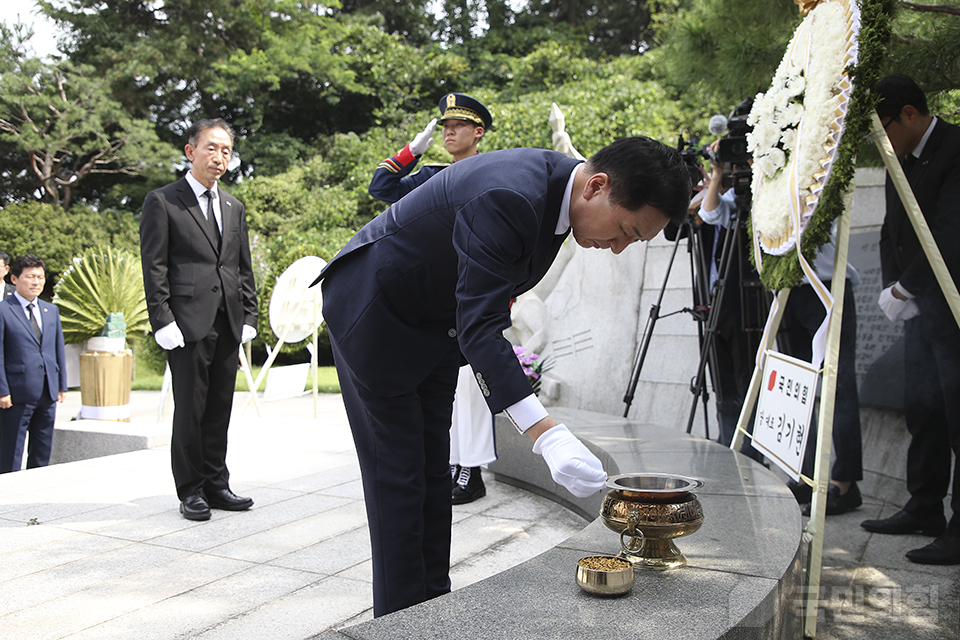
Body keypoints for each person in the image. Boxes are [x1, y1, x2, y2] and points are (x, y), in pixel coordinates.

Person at [314, 136, 692, 616]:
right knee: (399, 479)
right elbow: (482, 329)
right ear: (598, 186)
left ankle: (431, 610)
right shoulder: (513, 194)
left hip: (432, 327)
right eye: (625, 230)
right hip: (376, 315)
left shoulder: (561, 199)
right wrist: (546, 435)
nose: (618, 248)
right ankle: (399, 623)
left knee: (432, 471)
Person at [368, 93, 495, 504]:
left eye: (457, 126)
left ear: (478, 132)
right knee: (444, 385)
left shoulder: (493, 172)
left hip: (475, 290)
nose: (448, 132)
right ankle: (452, 465)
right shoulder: (432, 174)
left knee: (472, 386)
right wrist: (413, 150)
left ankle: (471, 470)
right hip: (437, 293)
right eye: (444, 126)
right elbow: (381, 187)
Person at [860, 74, 960, 565]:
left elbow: (949, 233)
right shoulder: (901, 157)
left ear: (910, 114)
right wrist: (892, 287)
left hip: (953, 307)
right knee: (924, 410)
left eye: (884, 128)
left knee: (958, 415)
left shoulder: (955, 149)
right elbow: (891, 231)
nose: (882, 143)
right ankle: (924, 507)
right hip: (921, 308)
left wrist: (908, 286)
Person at [140, 118, 259, 522]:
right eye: (211, 148)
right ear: (191, 151)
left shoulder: (233, 206)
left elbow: (242, 267)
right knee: (190, 409)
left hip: (227, 320)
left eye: (226, 150)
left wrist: (249, 313)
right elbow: (154, 266)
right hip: (186, 324)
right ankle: (190, 489)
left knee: (219, 408)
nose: (219, 157)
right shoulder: (164, 201)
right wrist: (162, 320)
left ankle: (216, 483)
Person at [0, 254, 67, 473]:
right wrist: (2, 391)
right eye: (30, 277)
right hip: (16, 394)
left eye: (39, 276)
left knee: (42, 450)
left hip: (47, 392)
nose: (36, 282)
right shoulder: (3, 310)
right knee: (11, 451)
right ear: (14, 279)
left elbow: (57, 350)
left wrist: (61, 385)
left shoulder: (51, 310)